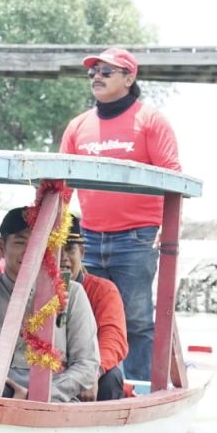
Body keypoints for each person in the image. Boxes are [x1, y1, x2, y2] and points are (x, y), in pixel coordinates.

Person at [59, 47, 180, 382]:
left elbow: (173, 176)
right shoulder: (78, 126)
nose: (96, 77)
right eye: (93, 72)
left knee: (137, 319)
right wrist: (53, 233)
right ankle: (92, 382)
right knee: (85, 312)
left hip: (137, 237)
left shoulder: (150, 121)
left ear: (129, 78)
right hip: (88, 241)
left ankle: (139, 388)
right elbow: (61, 187)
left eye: (106, 72)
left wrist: (169, 230)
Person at [0, 207, 100, 402]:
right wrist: (24, 325)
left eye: (38, 243)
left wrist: (41, 394)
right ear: (1, 247)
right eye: (20, 242)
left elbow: (87, 364)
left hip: (54, 398)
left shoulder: (72, 292)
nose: (30, 251)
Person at [62, 215, 128, 401]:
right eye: (54, 249)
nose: (63, 258)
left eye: (69, 249)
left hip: (89, 367)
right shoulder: (31, 287)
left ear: (81, 252)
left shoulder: (103, 290)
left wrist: (91, 372)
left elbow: (113, 338)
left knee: (111, 378)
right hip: (45, 365)